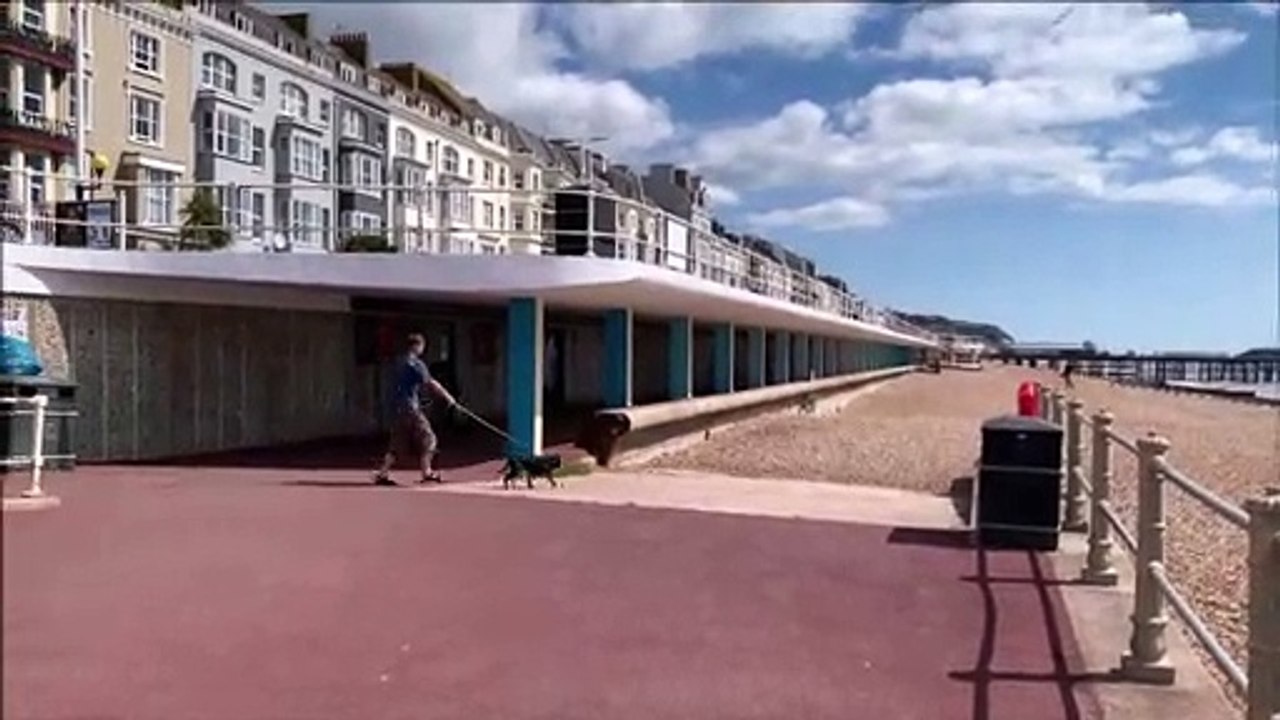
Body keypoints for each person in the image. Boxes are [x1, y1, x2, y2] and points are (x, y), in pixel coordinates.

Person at [374, 333, 458, 486]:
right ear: (417, 346)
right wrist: (448, 398)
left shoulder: (397, 362)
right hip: (410, 407)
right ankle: (427, 472)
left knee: (397, 442)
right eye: (422, 347)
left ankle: (382, 473)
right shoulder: (416, 364)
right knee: (429, 438)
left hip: (397, 408)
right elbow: (431, 383)